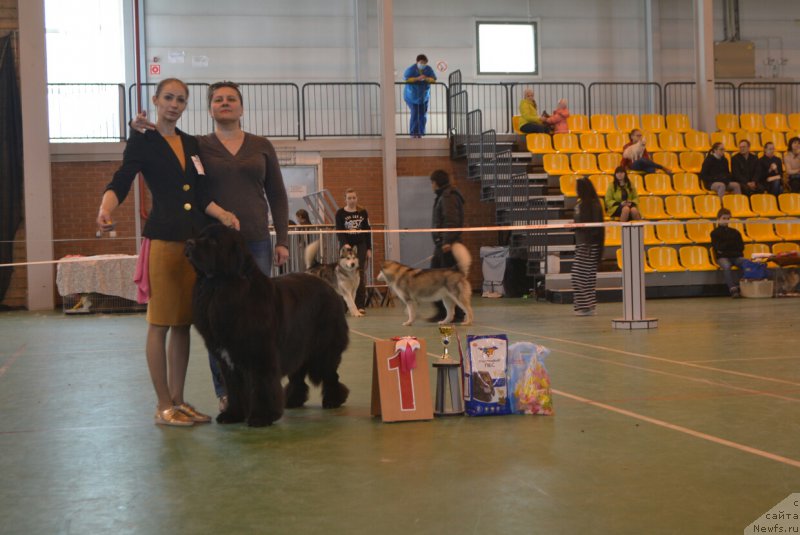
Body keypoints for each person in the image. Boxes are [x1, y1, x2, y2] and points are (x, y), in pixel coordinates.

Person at [97, 78, 239, 427]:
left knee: (183, 325)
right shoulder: (143, 140)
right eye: (169, 98)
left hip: (194, 247)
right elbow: (122, 180)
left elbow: (202, 194)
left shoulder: (191, 143)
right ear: (156, 101)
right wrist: (106, 207)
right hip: (161, 241)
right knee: (159, 324)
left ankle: (179, 400)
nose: (174, 104)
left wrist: (223, 214)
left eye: (181, 99)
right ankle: (162, 405)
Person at [429, 169, 466, 322]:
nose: (431, 186)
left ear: (436, 183)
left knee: (450, 283)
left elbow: (451, 221)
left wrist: (447, 242)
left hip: (447, 246)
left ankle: (457, 314)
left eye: (432, 182)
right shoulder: (443, 196)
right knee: (434, 281)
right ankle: (443, 312)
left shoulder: (448, 197)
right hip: (442, 245)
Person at [572, 178, 605, 316]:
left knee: (579, 276)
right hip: (583, 244)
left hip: (588, 245)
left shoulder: (593, 205)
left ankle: (586, 306)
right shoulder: (582, 204)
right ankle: (587, 306)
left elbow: (595, 228)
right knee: (586, 277)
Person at [335, 189, 372, 312]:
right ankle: (345, 305)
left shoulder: (363, 212)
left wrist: (368, 248)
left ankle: (360, 305)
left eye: (353, 198)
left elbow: (367, 232)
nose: (351, 200)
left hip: (360, 245)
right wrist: (345, 244)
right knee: (344, 275)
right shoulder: (340, 213)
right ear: (345, 199)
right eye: (349, 198)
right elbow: (339, 231)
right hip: (346, 245)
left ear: (357, 198)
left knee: (359, 273)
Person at [710, 208, 746, 298]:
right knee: (726, 266)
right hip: (722, 257)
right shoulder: (714, 233)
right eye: (724, 218)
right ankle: (733, 289)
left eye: (728, 218)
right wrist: (730, 244)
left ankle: (743, 287)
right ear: (718, 219)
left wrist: (726, 246)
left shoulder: (735, 232)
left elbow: (741, 247)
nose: (726, 221)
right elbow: (718, 248)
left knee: (745, 263)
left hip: (734, 256)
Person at [402, 54, 437, 138]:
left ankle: (420, 133)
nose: (423, 65)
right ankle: (413, 133)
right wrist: (417, 79)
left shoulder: (428, 69)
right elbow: (406, 79)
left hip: (423, 97)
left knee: (422, 115)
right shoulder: (411, 70)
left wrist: (426, 78)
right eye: (421, 63)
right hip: (412, 96)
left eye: (425, 63)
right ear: (417, 62)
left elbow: (434, 79)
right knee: (415, 114)